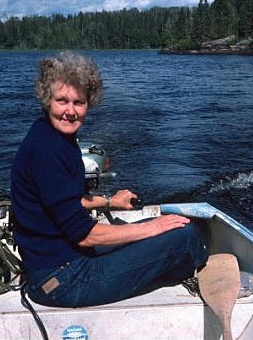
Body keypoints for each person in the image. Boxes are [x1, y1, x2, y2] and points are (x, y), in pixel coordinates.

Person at [11, 51, 208, 308]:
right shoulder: (46, 152)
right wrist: (150, 229)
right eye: (62, 101)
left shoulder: (53, 136)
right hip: (63, 280)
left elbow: (67, 203)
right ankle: (196, 270)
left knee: (164, 225)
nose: (70, 111)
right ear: (47, 100)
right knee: (184, 235)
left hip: (63, 260)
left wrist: (110, 203)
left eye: (78, 102)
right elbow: (85, 235)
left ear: (88, 103)